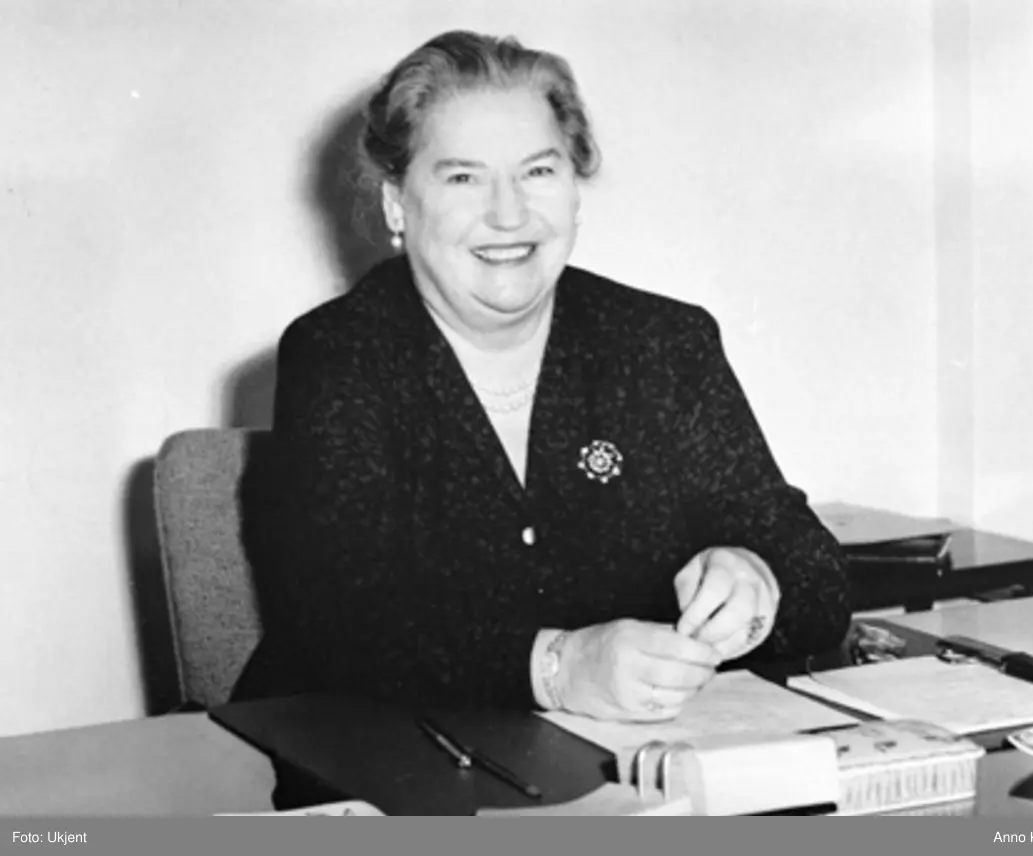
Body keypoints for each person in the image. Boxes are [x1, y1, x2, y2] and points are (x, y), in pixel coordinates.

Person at [234, 29, 850, 723]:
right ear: (397, 204)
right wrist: (555, 668)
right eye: (463, 176)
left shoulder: (663, 344)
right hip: (381, 767)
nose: (509, 213)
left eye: (538, 171)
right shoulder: (340, 355)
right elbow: (341, 622)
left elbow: (818, 577)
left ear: (574, 188)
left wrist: (755, 579)